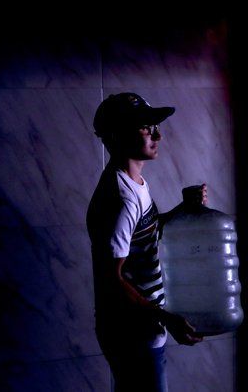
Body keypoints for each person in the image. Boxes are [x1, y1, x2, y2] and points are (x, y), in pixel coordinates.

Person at [87, 92, 207, 392]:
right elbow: (111, 278)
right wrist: (166, 318)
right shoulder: (122, 198)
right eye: (146, 127)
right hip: (131, 332)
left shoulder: (134, 182)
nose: (158, 135)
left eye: (155, 126)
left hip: (141, 327)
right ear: (118, 135)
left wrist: (183, 209)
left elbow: (144, 233)